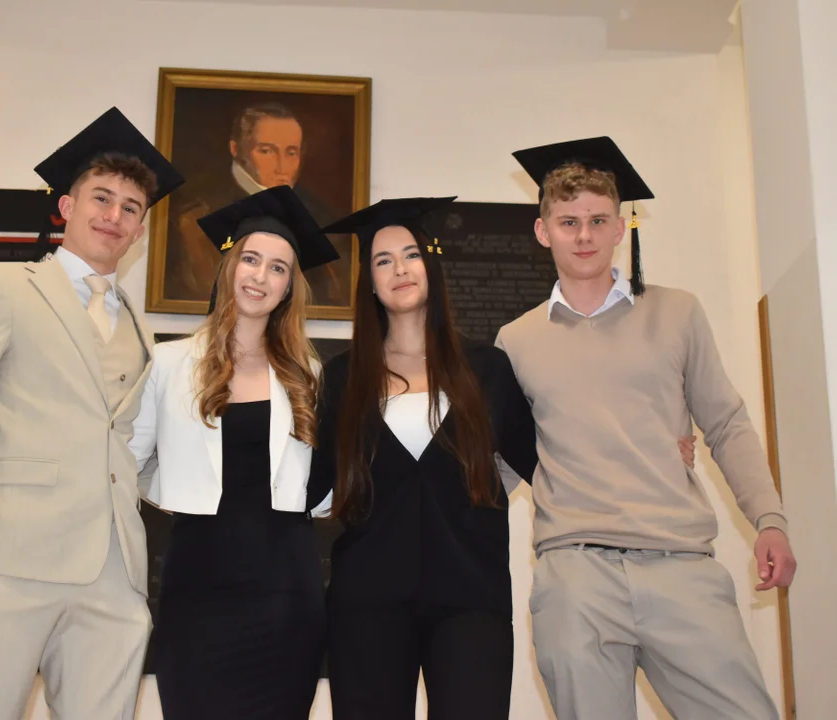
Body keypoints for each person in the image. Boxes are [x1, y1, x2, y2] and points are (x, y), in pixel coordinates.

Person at [498, 136, 797, 720]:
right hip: (575, 574)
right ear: (543, 231)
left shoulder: (677, 312)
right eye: (568, 222)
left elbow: (726, 424)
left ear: (620, 227)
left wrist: (770, 519)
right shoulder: (517, 340)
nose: (583, 235)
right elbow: (502, 464)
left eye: (597, 221)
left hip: (680, 562)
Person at [0, 107, 184, 719]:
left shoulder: (140, 328)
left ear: (140, 230)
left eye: (130, 208)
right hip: (7, 559)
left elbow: (132, 446)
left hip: (113, 573)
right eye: (101, 198)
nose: (114, 216)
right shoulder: (4, 285)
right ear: (66, 206)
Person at [305, 196, 538, 719]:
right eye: (383, 260)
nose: (400, 269)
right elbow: (312, 483)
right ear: (369, 281)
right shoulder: (342, 376)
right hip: (367, 600)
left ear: (432, 265)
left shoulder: (487, 368)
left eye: (411, 254)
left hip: (471, 597)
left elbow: (543, 460)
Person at [129, 184, 340, 719]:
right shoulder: (169, 363)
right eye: (251, 259)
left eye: (278, 268)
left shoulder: (309, 375)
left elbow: (327, 488)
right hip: (197, 583)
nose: (260, 276)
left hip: (286, 590)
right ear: (228, 267)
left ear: (289, 287)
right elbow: (126, 465)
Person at [166, 101, 349, 306]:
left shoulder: (321, 217)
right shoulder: (194, 213)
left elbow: (333, 296)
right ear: (236, 149)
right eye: (267, 151)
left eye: (291, 153)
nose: (282, 166)